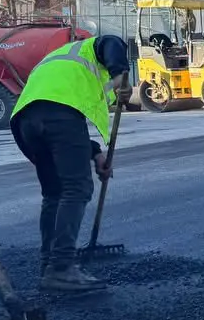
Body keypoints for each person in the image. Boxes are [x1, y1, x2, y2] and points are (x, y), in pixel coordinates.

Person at [9, 34, 131, 292]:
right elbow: (110, 42)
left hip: (25, 121)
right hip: (58, 115)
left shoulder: (62, 61)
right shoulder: (97, 47)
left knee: (53, 193)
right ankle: (62, 268)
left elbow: (61, 124)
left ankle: (49, 264)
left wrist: (96, 153)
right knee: (77, 189)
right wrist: (120, 76)